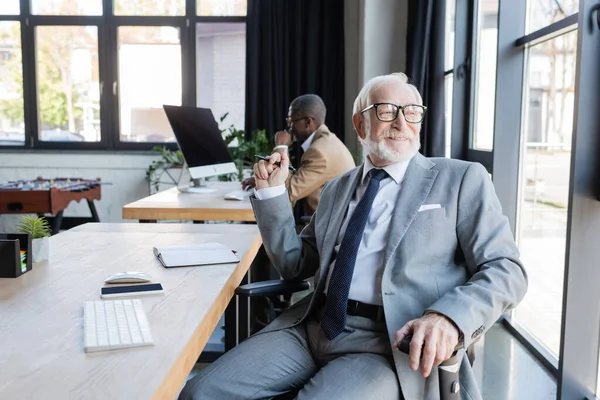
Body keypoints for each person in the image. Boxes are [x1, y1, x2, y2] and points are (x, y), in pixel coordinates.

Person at [179, 73, 528, 400]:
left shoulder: (461, 179)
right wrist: (271, 195)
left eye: (412, 112)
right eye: (387, 111)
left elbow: (506, 269)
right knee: (201, 393)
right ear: (360, 122)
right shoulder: (336, 189)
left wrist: (449, 318)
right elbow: (294, 263)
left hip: (386, 343)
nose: (401, 123)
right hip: (311, 328)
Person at [241, 94, 355, 216]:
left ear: (308, 122)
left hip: (325, 229)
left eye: (291, 121)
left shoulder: (319, 153)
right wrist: (264, 183)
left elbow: (287, 193)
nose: (289, 127)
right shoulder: (327, 142)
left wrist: (281, 146)